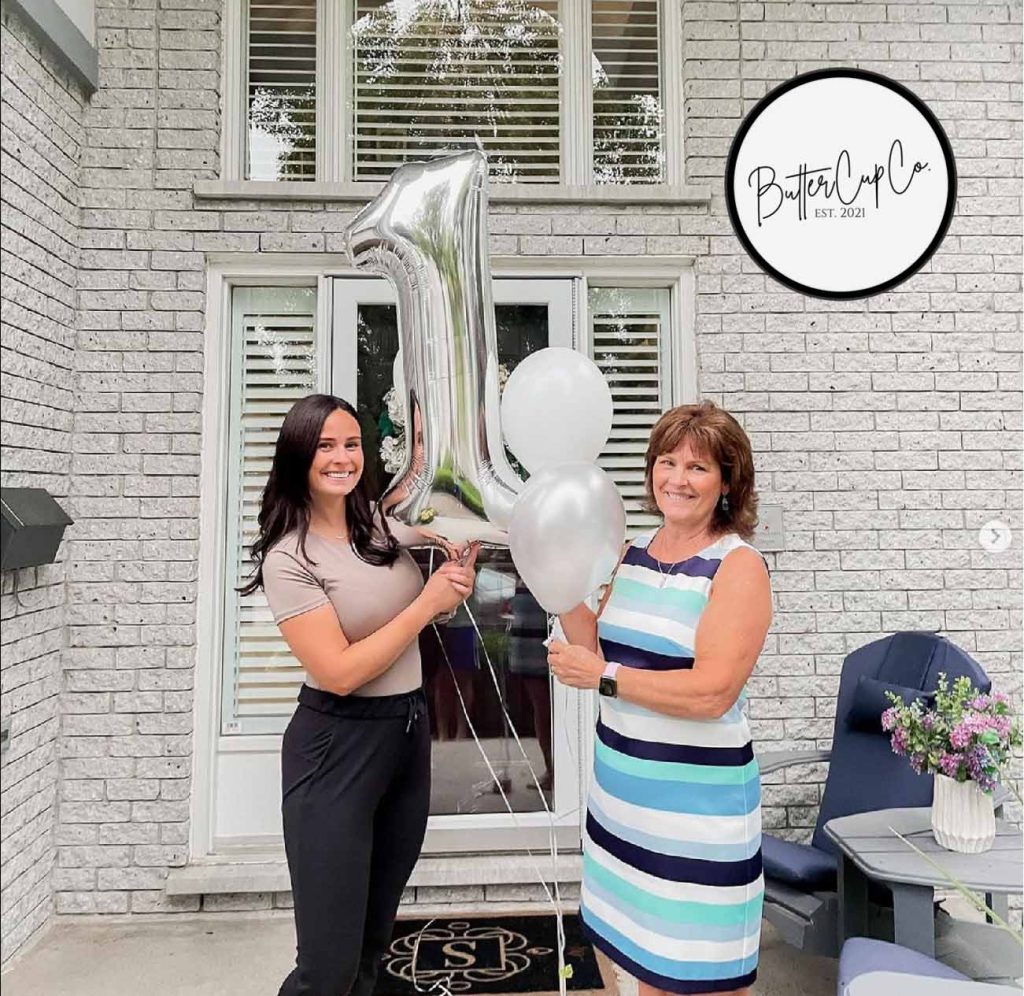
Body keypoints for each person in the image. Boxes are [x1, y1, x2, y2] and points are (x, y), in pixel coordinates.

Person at [239, 393, 478, 996]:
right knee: (328, 966)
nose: (343, 458)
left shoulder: (377, 523)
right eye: (326, 446)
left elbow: (419, 601)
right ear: (298, 456)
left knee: (373, 947)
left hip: (405, 735)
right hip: (336, 746)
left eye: (352, 444)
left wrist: (453, 582)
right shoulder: (288, 558)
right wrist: (427, 605)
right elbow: (340, 671)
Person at [548, 401, 772, 996]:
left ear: (727, 483)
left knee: (689, 976)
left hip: (693, 819)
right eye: (666, 461)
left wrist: (604, 677)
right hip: (621, 809)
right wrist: (559, 576)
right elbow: (596, 642)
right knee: (633, 965)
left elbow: (713, 693)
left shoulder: (737, 567)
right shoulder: (634, 554)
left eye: (698, 468)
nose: (678, 478)